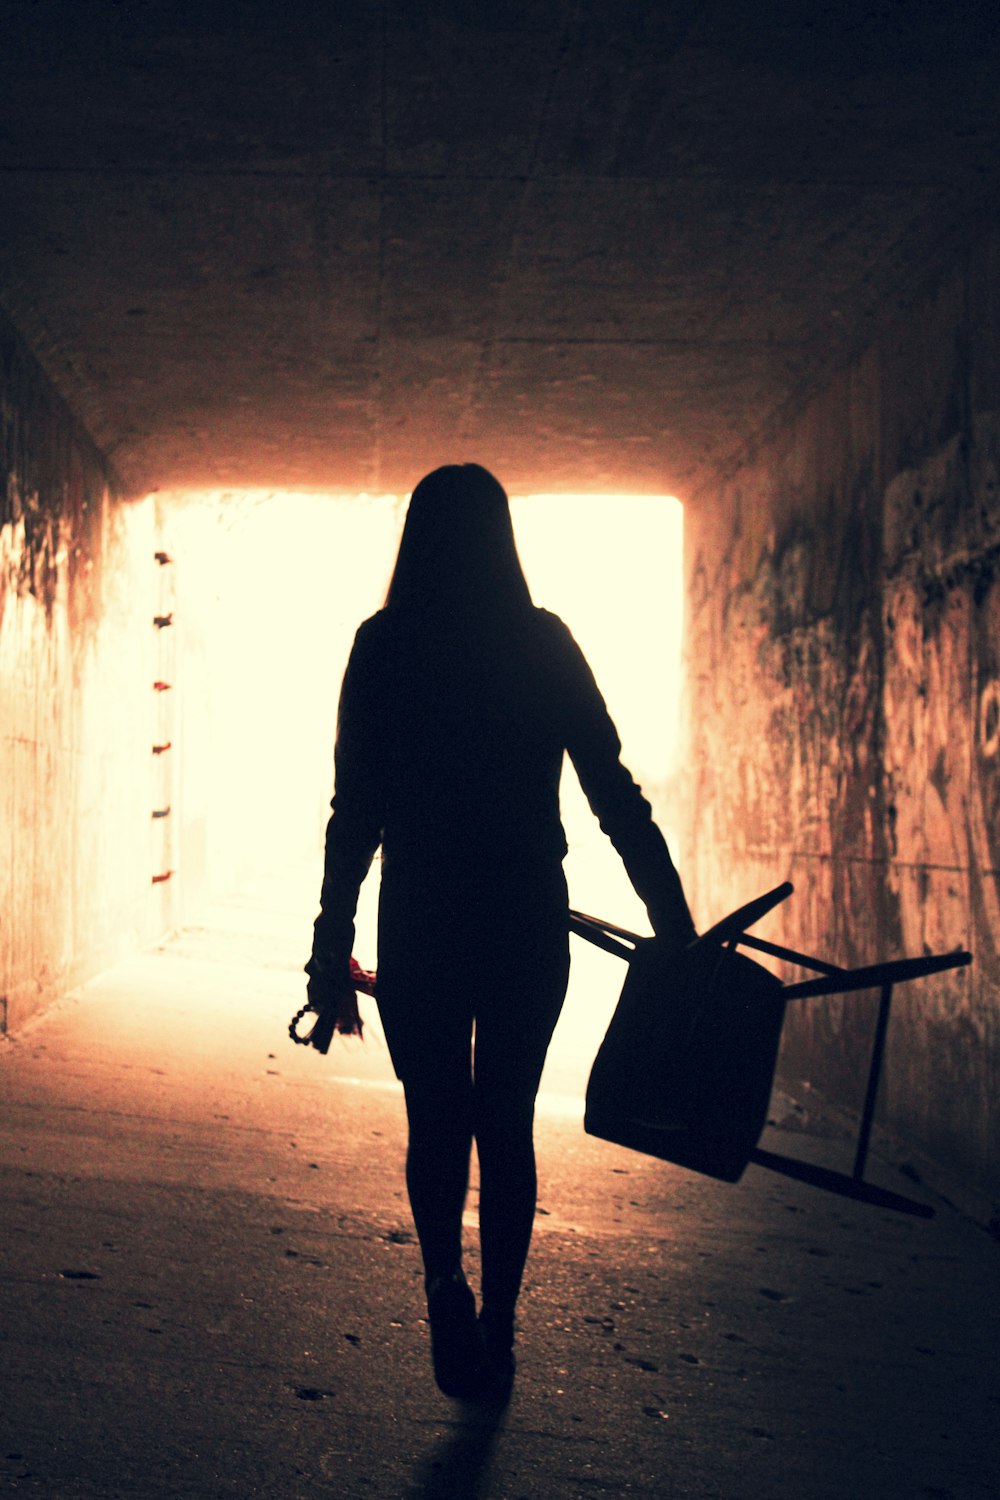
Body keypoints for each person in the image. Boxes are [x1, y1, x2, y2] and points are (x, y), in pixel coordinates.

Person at [304, 464, 695, 1400]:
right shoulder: (544, 642)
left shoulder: (384, 645)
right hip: (523, 919)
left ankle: (444, 1286)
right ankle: (502, 1325)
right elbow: (613, 793)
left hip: (423, 921)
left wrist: (330, 943)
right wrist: (672, 925)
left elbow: (353, 812)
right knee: (506, 1123)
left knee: (435, 1116)